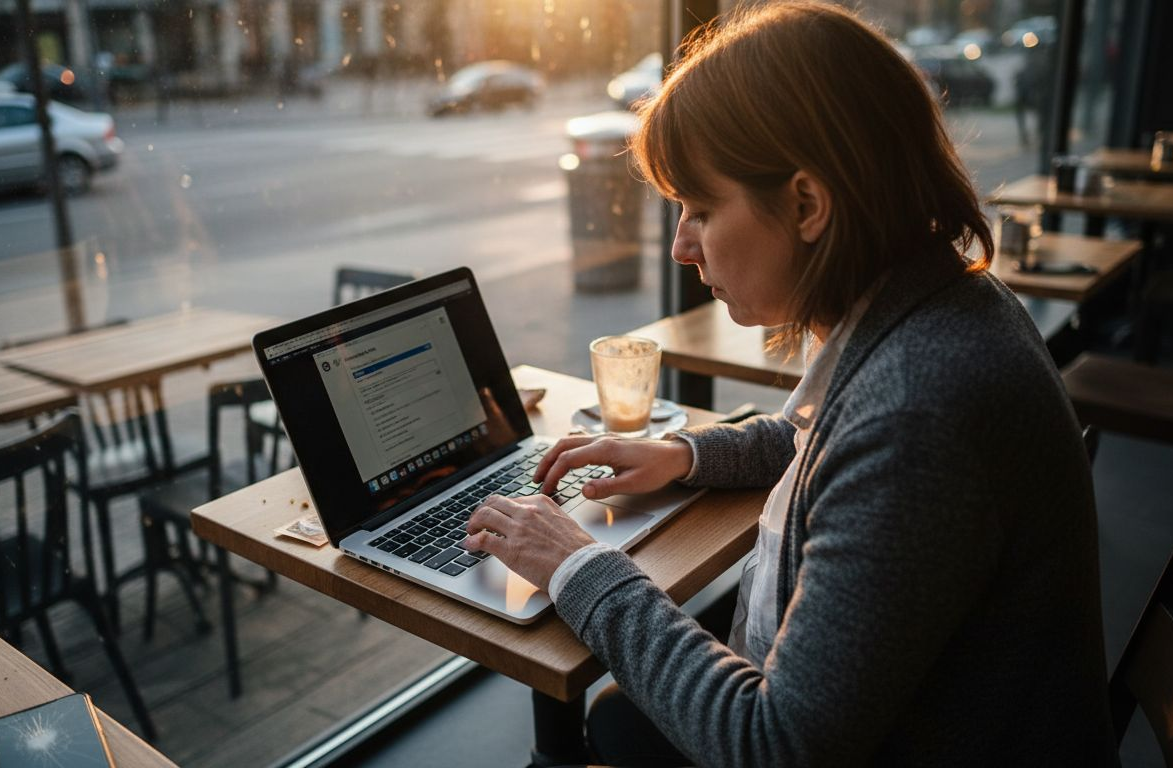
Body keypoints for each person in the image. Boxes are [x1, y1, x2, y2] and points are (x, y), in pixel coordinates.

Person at [463, 3, 1116, 765]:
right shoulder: (939, 300)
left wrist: (578, 566)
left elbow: (774, 747)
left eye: (701, 209)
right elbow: (825, 444)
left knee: (614, 718)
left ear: (807, 204)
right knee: (618, 715)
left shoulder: (919, 412)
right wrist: (687, 456)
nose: (680, 247)